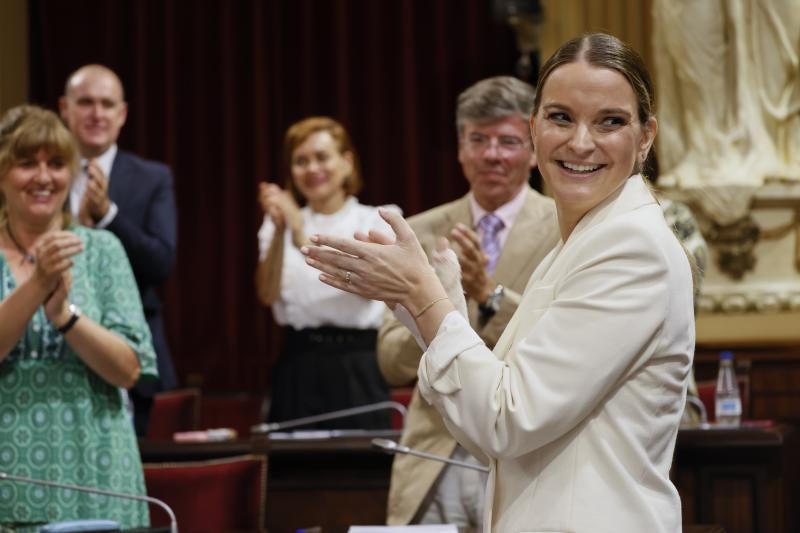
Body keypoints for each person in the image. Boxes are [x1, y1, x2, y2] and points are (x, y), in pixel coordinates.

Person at [304, 33, 695, 532]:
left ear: (645, 138)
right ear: (535, 130)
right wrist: (425, 298)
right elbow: (486, 407)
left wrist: (425, 299)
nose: (580, 141)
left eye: (610, 122)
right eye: (560, 117)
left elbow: (507, 419)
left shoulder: (630, 247)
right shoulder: (582, 239)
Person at [377, 76, 559, 528]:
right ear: (460, 149)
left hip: (528, 457)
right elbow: (390, 361)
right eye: (478, 139)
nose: (492, 154)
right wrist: (438, 306)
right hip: (434, 458)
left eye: (508, 141)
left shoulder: (566, 229)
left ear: (534, 152)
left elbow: (559, 344)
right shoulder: (416, 232)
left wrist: (487, 294)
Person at [0, 105, 156, 529]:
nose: (44, 177)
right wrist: (36, 287)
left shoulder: (103, 250)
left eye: (56, 163)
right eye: (26, 163)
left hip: (99, 467)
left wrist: (65, 317)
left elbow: (129, 370)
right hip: (9, 474)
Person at [256, 116, 398, 429]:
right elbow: (267, 294)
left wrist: (298, 232)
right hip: (298, 361)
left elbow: (368, 285)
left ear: (347, 163)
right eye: (301, 161)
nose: (312, 169)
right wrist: (281, 231)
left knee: (360, 471)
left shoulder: (377, 219)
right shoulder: (279, 223)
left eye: (322, 157)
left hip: (358, 362)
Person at [59, 64, 178, 436]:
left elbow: (160, 263)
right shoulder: (42, 176)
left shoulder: (152, 177)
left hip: (132, 359)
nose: (97, 113)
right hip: (53, 359)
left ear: (122, 113)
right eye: (86, 102)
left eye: (107, 104)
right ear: (64, 108)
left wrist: (109, 216)